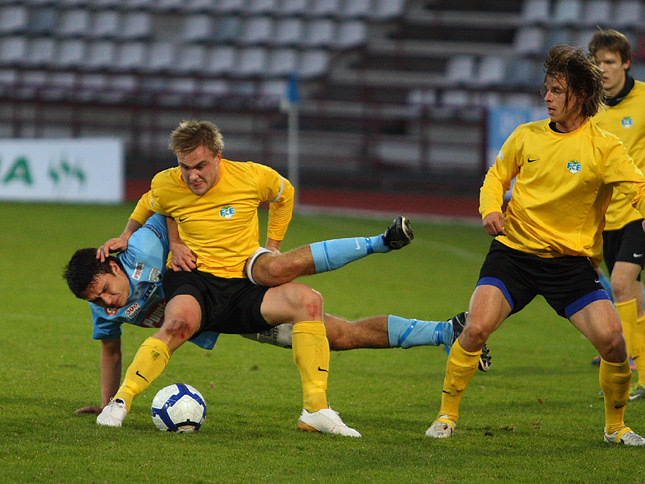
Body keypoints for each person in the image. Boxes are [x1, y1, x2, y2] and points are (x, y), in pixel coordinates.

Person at [425, 45, 645, 445]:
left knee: (615, 343)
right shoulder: (526, 136)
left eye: (557, 90)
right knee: (475, 330)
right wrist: (491, 208)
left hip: (570, 266)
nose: (547, 97)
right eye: (546, 89)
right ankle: (446, 414)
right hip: (514, 256)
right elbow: (496, 177)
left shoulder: (605, 148)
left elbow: (637, 187)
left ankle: (616, 427)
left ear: (580, 96)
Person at [64, 214, 489, 414]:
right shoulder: (107, 311)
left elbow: (170, 202)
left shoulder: (141, 246)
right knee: (337, 335)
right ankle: (448, 331)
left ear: (113, 265)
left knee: (288, 273)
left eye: (105, 291)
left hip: (235, 282)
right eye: (97, 302)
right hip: (225, 318)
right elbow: (109, 352)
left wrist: (146, 233)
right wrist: (102, 404)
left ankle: (382, 239)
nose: (107, 304)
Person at [586, 29, 645, 401]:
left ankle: (630, 370)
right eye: (597, 62)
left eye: (609, 61)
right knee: (624, 291)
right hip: (608, 218)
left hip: (639, 210)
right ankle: (634, 368)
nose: (603, 69)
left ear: (625, 62)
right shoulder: (591, 106)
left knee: (622, 284)